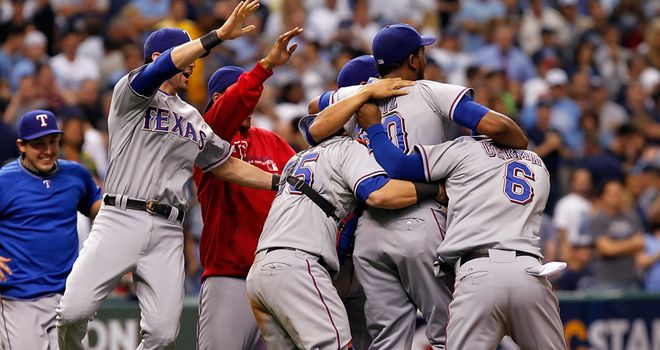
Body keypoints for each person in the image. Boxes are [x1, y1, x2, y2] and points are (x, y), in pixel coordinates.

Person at [55, 2, 282, 349]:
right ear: (160, 56)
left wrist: (276, 181)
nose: (193, 64)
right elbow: (160, 68)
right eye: (184, 56)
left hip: (168, 229)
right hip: (120, 217)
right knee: (72, 312)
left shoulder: (192, 117)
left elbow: (224, 164)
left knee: (162, 334)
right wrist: (218, 36)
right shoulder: (130, 93)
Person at [302, 23, 528, 349]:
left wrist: (362, 92)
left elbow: (314, 108)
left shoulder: (356, 95)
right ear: (412, 60)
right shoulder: (427, 89)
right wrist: (519, 142)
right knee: (450, 334)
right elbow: (497, 125)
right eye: (422, 52)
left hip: (369, 233)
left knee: (388, 341)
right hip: (420, 217)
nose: (425, 57)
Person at [356, 102, 566, 349]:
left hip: (478, 273)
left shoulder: (465, 149)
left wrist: (373, 128)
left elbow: (398, 166)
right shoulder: (537, 164)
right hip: (530, 274)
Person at [246, 125, 446, 350]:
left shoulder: (297, 159)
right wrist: (434, 190)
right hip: (298, 268)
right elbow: (379, 194)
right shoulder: (347, 148)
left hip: (259, 274)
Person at [193, 27, 301, 350]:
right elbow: (232, 104)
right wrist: (266, 66)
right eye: (245, 96)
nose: (251, 103)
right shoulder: (208, 137)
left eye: (255, 97)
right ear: (218, 100)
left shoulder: (272, 142)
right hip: (229, 278)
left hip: (276, 277)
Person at [0, 110, 102, 350]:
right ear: (21, 145)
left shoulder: (75, 174)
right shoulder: (4, 180)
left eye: (52, 142)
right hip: (19, 297)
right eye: (39, 144)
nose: (47, 150)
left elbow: (101, 210)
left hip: (67, 297)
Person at [587, 179, 645, 291]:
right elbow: (607, 249)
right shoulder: (598, 219)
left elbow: (640, 243)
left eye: (620, 192)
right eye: (613, 193)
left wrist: (616, 246)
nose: (618, 196)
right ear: (603, 197)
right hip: (607, 281)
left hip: (632, 279)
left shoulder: (632, 216)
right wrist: (631, 244)